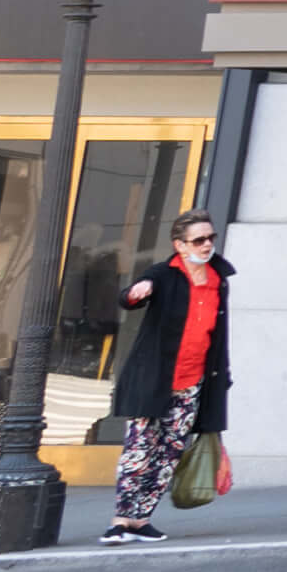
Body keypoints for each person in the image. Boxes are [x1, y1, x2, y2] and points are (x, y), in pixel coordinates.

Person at [101, 209, 231, 544]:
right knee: (138, 450)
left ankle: (141, 519)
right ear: (180, 244)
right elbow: (129, 297)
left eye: (210, 238)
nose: (206, 245)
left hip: (193, 382)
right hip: (154, 378)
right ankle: (120, 520)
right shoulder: (164, 274)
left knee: (169, 452)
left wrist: (221, 378)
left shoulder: (218, 280)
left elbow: (219, 336)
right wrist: (137, 292)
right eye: (198, 240)